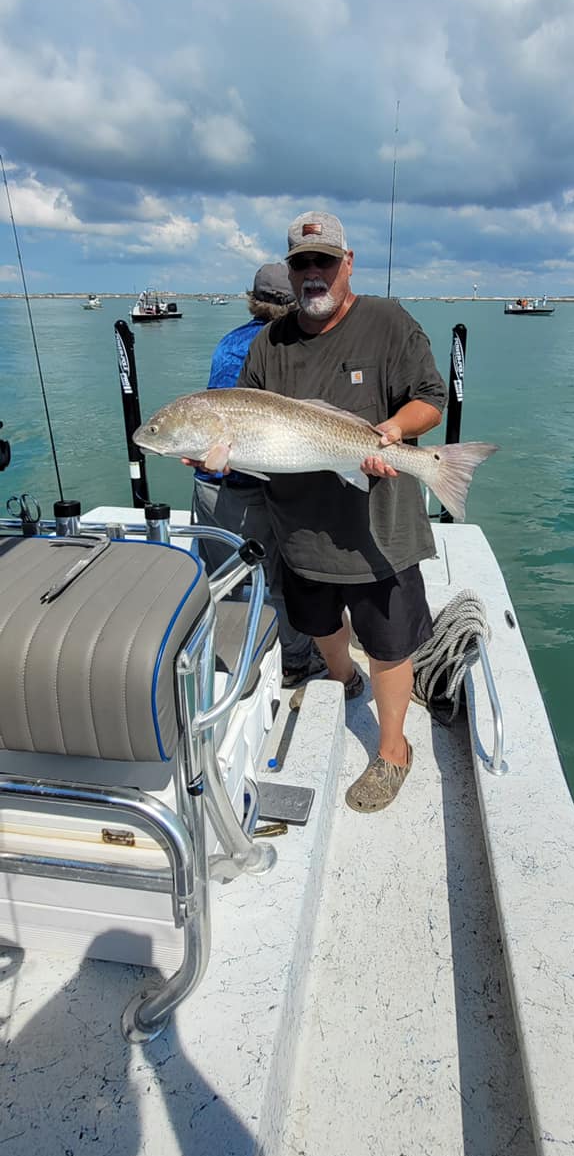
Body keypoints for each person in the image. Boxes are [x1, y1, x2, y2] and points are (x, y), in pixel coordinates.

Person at [237, 211, 448, 814]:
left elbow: (430, 399)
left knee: (388, 643)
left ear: (346, 263)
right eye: (301, 263)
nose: (312, 274)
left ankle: (392, 749)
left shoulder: (387, 321)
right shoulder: (268, 344)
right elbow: (248, 428)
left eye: (324, 261)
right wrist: (216, 455)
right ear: (289, 269)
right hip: (299, 529)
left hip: (378, 528)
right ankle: (342, 680)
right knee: (320, 624)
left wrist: (390, 432)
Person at [192, 262, 320, 687]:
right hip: (252, 486)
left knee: (223, 581)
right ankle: (295, 661)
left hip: (209, 487)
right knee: (279, 579)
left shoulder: (227, 341)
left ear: (253, 299)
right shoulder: (280, 347)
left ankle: (229, 661)